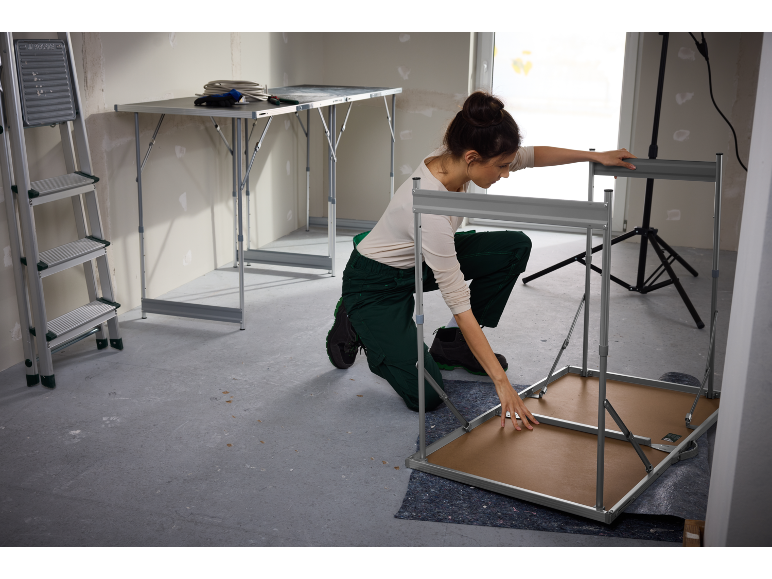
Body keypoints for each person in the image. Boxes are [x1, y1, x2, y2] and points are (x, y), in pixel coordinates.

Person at [326, 91, 636, 430]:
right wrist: (502, 383)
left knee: (513, 247)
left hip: (421, 257)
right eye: (502, 166)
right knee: (426, 397)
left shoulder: (461, 154)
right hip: (376, 283)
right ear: (473, 157)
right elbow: (458, 300)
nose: (506, 173)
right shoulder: (429, 208)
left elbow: (531, 155)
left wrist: (596, 156)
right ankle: (355, 315)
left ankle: (452, 345)